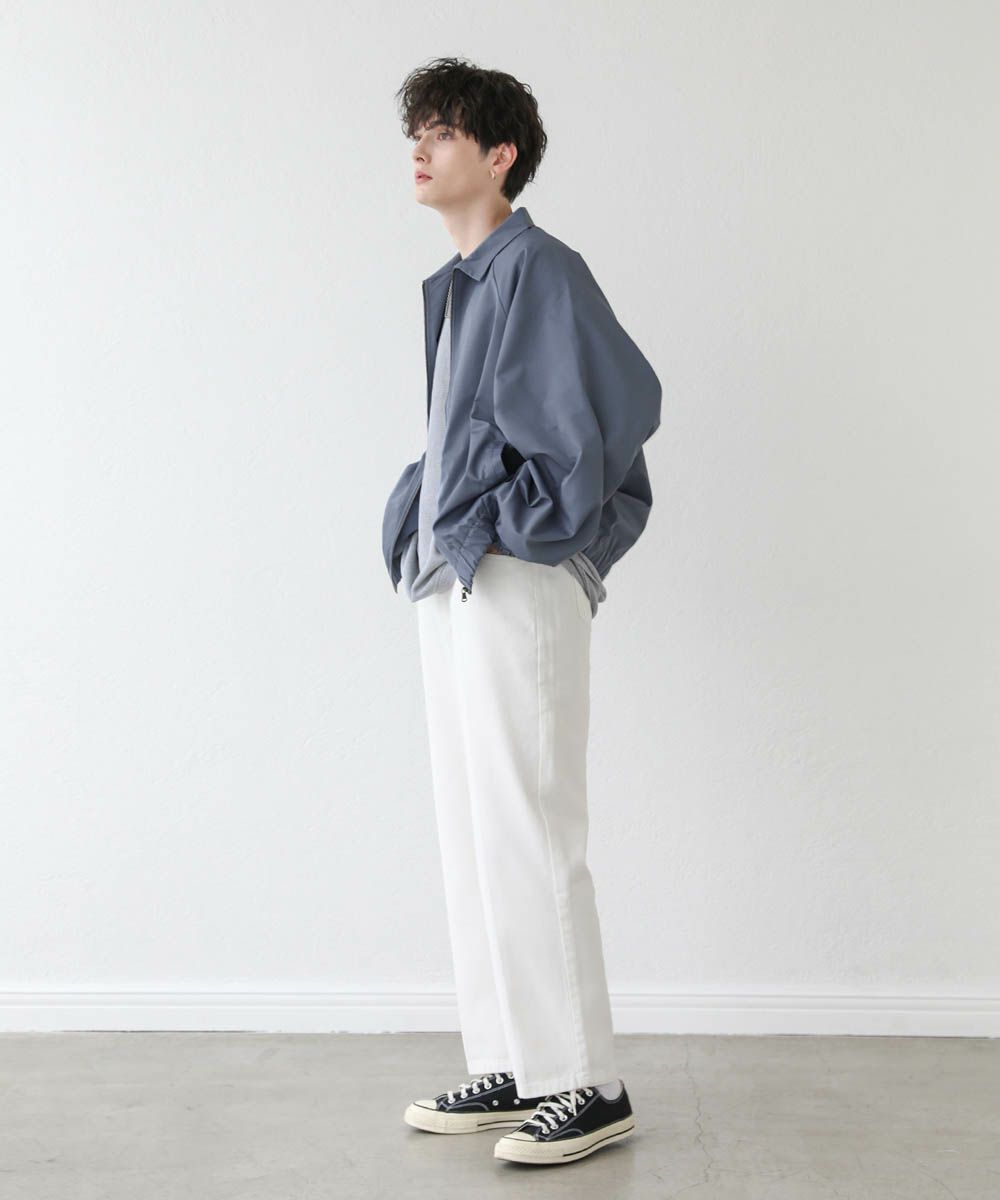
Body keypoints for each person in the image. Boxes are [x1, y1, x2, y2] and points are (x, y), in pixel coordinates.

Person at [381, 56, 662, 1167]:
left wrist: (509, 525)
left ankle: (585, 1081)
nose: (420, 149)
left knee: (531, 823)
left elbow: (621, 404)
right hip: (453, 575)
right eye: (416, 132)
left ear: (499, 156)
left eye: (443, 132)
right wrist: (424, 514)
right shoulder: (464, 283)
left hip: (514, 574)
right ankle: (513, 1059)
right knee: (472, 826)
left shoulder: (539, 267)